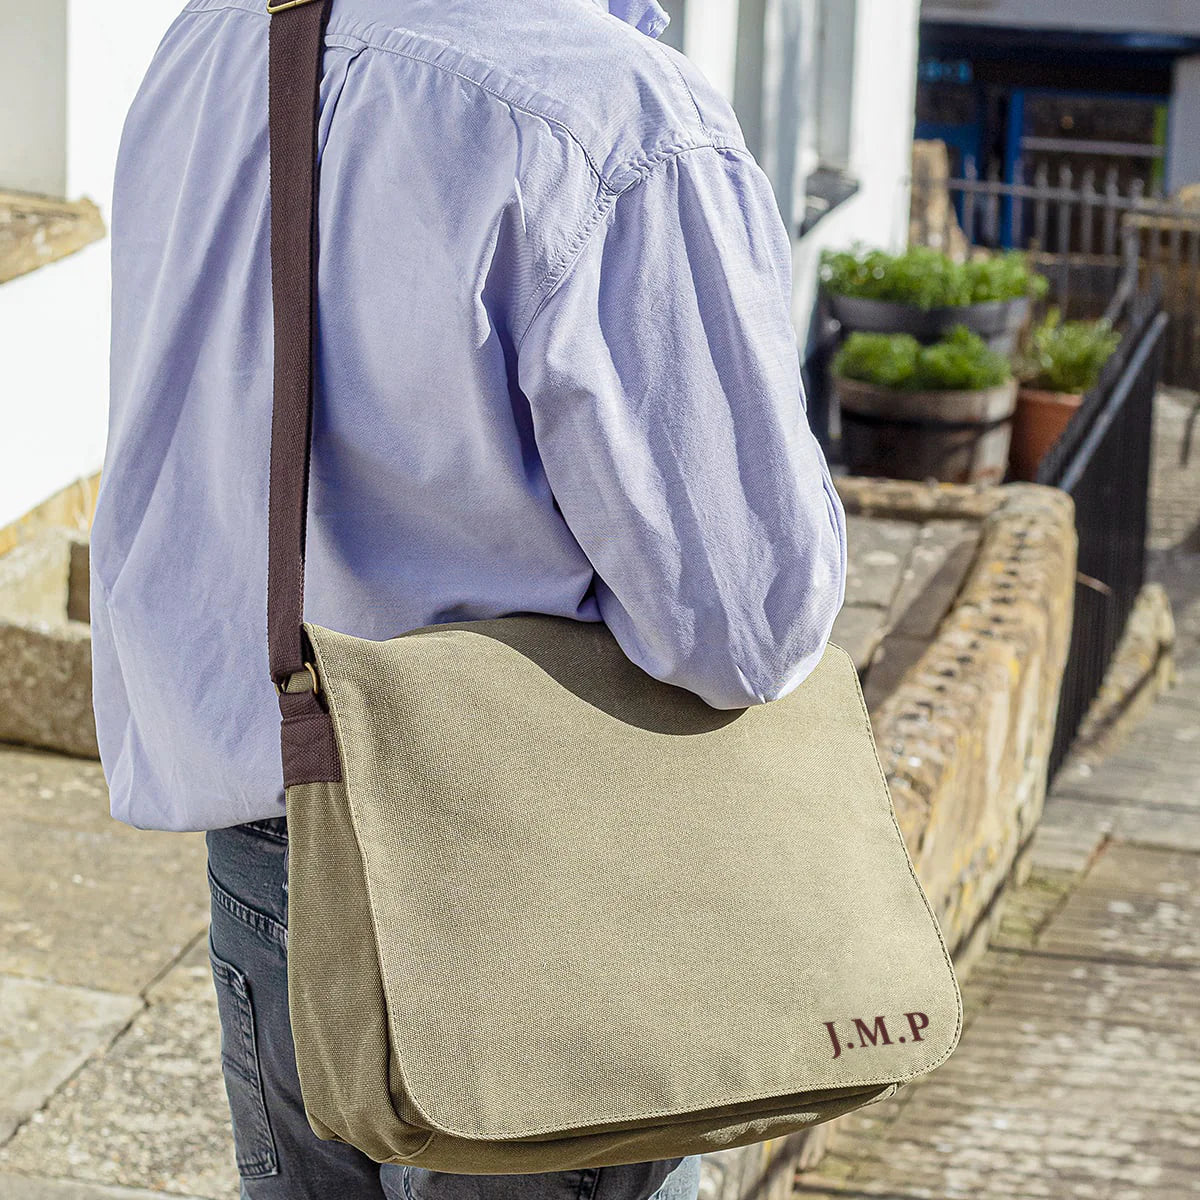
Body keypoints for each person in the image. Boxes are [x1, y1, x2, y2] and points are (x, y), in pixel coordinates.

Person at [91, 1, 848, 1197]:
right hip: (524, 876)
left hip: (273, 846)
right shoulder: (612, 114)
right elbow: (742, 625)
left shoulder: (228, 32)